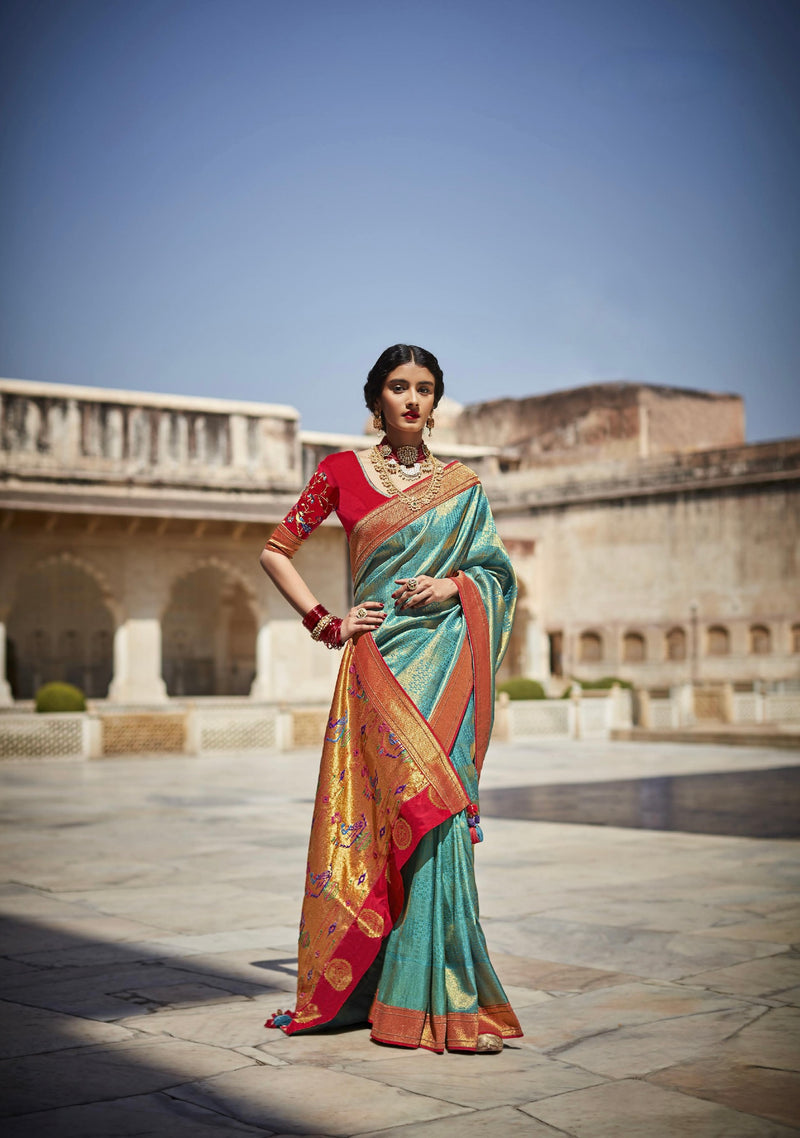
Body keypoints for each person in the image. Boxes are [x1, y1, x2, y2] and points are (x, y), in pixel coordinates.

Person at [259, 344, 522, 1053]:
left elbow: (497, 574)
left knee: (437, 825)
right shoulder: (341, 472)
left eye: (426, 389)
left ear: (437, 402)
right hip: (378, 668)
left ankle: (440, 1001)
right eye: (399, 387)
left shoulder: (461, 487)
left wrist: (455, 586)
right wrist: (328, 623)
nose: (412, 400)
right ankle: (379, 993)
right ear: (375, 398)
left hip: (446, 666)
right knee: (386, 823)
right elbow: (275, 549)